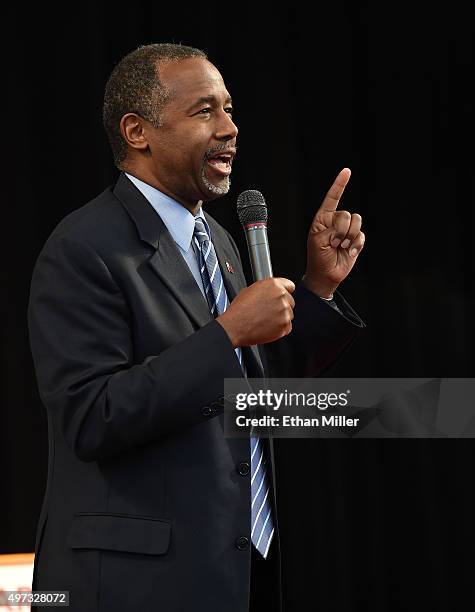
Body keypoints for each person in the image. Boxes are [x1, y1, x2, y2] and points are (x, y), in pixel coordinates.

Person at [27, 43, 366, 612]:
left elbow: (256, 398)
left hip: (233, 569)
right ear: (138, 131)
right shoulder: (83, 247)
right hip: (135, 585)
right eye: (205, 111)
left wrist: (317, 290)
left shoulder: (222, 244)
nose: (231, 127)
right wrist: (227, 332)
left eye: (229, 109)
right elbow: (92, 416)